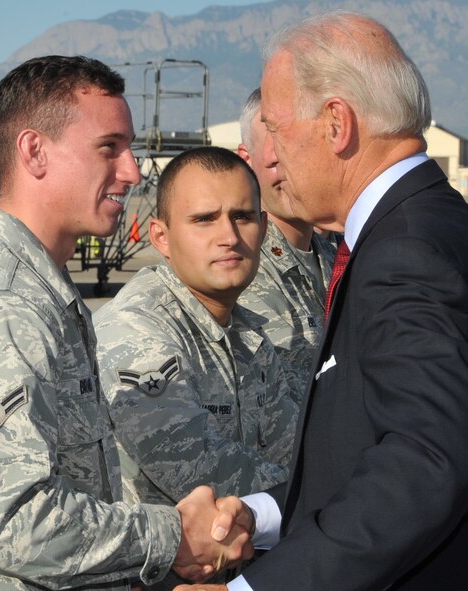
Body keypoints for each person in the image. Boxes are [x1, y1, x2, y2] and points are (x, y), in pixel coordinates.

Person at [0, 55, 253, 591]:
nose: (130, 170)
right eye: (109, 148)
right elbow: (10, 523)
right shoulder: (1, 306)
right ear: (34, 151)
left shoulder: (40, 291)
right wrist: (172, 535)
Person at [175, 9, 468, 591]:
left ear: (337, 124)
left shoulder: (402, 254)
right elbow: (371, 443)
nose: (270, 158)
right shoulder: (430, 222)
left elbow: (426, 462)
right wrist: (264, 514)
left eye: (277, 130)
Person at [94, 146, 298, 513]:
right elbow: (191, 467)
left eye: (243, 217)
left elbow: (293, 444)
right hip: (164, 567)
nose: (229, 237)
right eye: (204, 219)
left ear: (264, 229)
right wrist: (314, 497)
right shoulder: (136, 327)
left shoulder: (248, 334)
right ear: (161, 237)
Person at [237, 87, 335, 400]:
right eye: (278, 158)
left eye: (305, 154)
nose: (294, 173)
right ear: (246, 159)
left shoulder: (340, 260)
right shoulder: (237, 270)